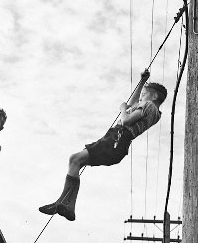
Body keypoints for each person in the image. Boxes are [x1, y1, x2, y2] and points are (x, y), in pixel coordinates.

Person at [39, 70, 167, 221]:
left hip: (117, 140)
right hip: (116, 141)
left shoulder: (149, 106)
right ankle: (67, 206)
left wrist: (122, 109)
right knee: (75, 161)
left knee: (75, 159)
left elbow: (126, 120)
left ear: (154, 96)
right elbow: (132, 104)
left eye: (144, 94)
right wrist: (141, 83)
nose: (141, 98)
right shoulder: (152, 110)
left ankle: (64, 203)